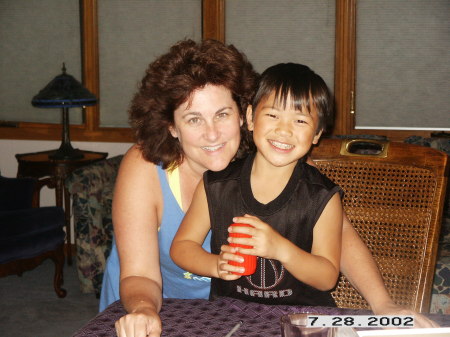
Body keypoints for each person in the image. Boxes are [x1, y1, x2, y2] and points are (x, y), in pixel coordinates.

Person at [102, 40, 437, 337]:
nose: (213, 134)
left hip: (240, 314)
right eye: (193, 119)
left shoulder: (266, 151)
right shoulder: (148, 166)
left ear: (243, 115)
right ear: (170, 126)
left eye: (222, 114)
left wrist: (384, 306)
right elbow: (141, 273)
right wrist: (143, 310)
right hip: (150, 308)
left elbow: (336, 235)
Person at [171, 62, 344, 306]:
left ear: (317, 134)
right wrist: (216, 265)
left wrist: (280, 249)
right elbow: (182, 246)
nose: (284, 130)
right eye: (273, 115)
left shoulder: (322, 195)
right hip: (229, 315)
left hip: (300, 319)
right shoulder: (217, 184)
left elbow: (327, 277)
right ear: (251, 118)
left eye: (301, 121)